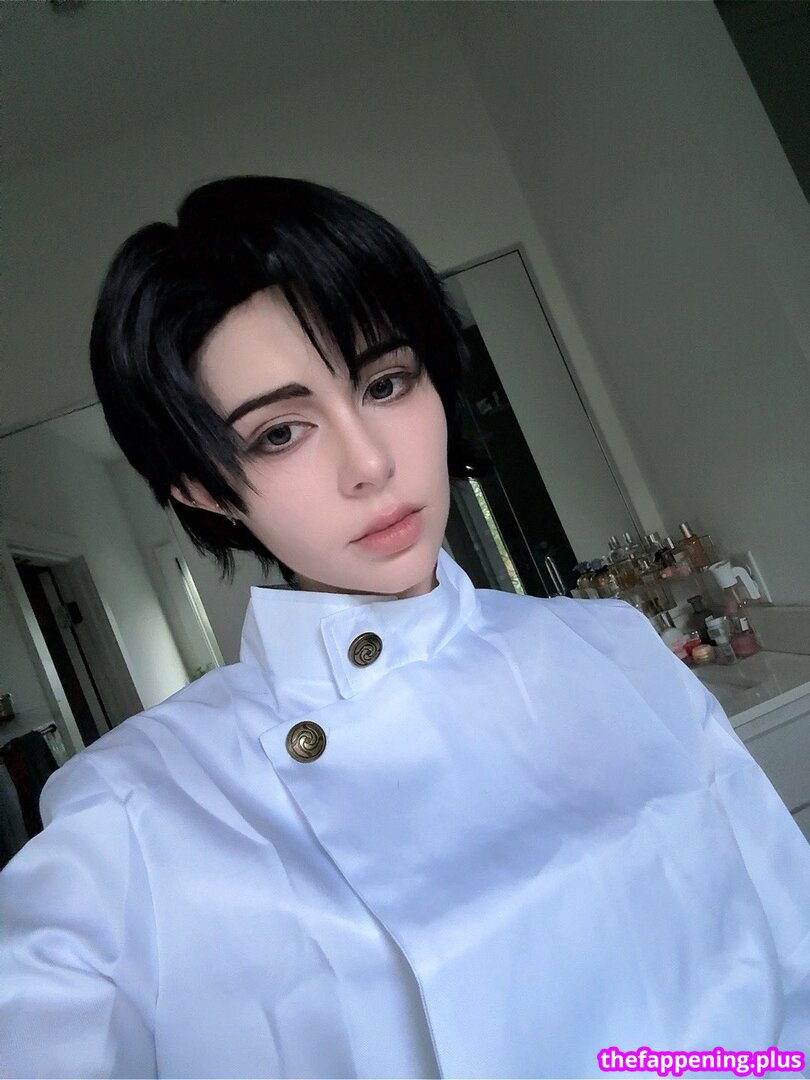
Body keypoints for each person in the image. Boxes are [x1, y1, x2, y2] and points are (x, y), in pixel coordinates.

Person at [0, 175, 808, 1080]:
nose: (371, 462)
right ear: (200, 488)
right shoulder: (133, 812)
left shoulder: (611, 645)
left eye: (386, 383)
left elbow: (791, 940)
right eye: (279, 434)